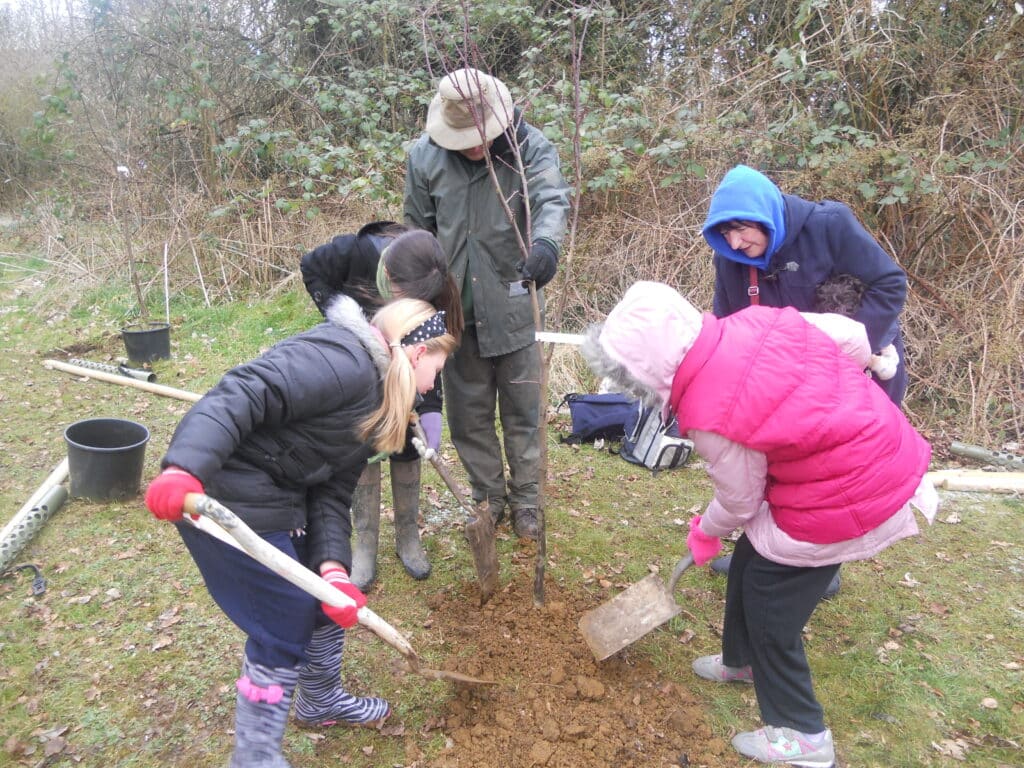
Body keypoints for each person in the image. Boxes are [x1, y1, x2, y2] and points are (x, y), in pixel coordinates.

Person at [581, 281, 936, 768]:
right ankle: (741, 661)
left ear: (648, 370)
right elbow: (851, 336)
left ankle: (803, 736)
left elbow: (740, 498)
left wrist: (705, 530)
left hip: (849, 490)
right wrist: (851, 376)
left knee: (772, 608)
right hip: (870, 451)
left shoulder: (708, 407)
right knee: (750, 559)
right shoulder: (754, 322)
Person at [144, 297, 456, 768]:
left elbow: (332, 490)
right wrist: (184, 469)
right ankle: (254, 756)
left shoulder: (378, 393)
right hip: (221, 490)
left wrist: (332, 570)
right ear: (417, 354)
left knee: (327, 601)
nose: (432, 386)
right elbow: (243, 391)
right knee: (283, 619)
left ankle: (320, 700)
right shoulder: (342, 362)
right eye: (437, 371)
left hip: (280, 490)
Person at [701, 164, 911, 590]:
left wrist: (851, 346)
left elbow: (890, 284)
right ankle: (762, 550)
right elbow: (727, 323)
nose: (736, 242)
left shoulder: (829, 225)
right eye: (725, 234)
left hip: (861, 371)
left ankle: (822, 568)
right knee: (774, 466)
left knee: (834, 476)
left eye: (741, 229)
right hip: (788, 382)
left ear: (765, 214)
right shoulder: (731, 260)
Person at [403, 67, 571, 539]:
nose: (474, 147)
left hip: (515, 304)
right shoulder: (425, 157)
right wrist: (420, 300)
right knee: (469, 417)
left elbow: (551, 200)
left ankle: (528, 501)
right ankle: (488, 498)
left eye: (480, 137)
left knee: (524, 412)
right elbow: (416, 230)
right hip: (455, 314)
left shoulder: (529, 147)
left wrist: (546, 245)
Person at [301, 224, 464, 589]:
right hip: (360, 362)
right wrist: (342, 316)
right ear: (389, 276)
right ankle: (364, 544)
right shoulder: (355, 253)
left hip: (407, 368)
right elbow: (311, 267)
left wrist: (430, 407)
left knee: (406, 442)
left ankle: (408, 536)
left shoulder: (432, 283)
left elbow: (430, 354)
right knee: (364, 444)